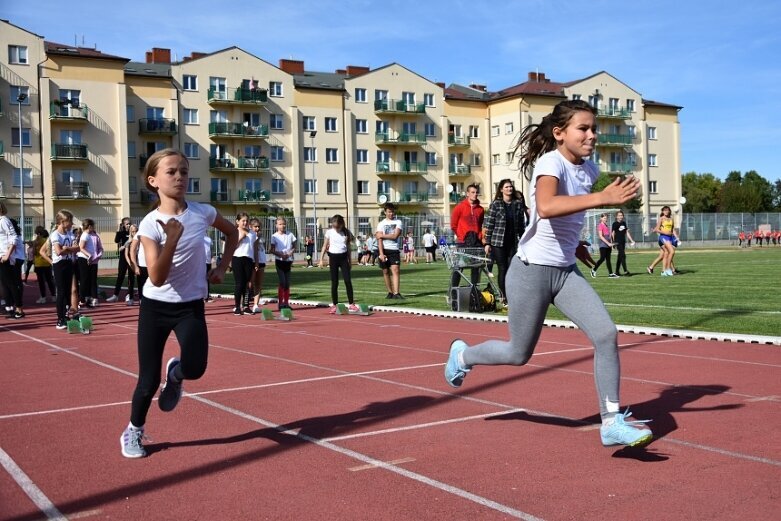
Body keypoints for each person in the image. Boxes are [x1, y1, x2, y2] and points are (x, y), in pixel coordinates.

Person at [444, 99, 652, 448]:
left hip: (565, 271)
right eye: (583, 129)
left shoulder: (588, 170)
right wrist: (602, 198)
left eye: (594, 128)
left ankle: (611, 421)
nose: (592, 135)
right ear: (560, 133)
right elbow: (547, 206)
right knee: (518, 354)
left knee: (605, 334)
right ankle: (463, 355)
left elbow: (566, 218)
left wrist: (578, 243)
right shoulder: (549, 163)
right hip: (530, 273)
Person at [120, 148, 238, 459]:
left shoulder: (203, 213)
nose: (179, 177)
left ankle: (177, 374)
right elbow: (156, 278)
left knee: (196, 367)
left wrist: (223, 267)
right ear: (153, 180)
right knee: (147, 382)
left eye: (184, 171)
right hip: (155, 307)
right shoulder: (149, 224)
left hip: (190, 306)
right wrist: (171, 238)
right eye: (171, 172)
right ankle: (133, 430)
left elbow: (232, 232)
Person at [482, 178, 527, 304]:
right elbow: (489, 224)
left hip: (512, 241)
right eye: (506, 187)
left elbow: (521, 225)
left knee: (512, 268)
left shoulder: (517, 204)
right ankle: (504, 296)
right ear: (501, 189)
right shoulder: (496, 204)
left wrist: (523, 240)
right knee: (503, 268)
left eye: (510, 186)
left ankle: (511, 293)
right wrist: (487, 243)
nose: (509, 189)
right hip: (498, 242)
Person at [46, 210, 80, 328]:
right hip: (59, 265)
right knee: (61, 291)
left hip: (69, 263)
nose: (71, 223)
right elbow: (59, 251)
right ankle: (60, 319)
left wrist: (67, 248)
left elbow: (78, 248)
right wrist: (69, 249)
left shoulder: (70, 233)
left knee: (67, 291)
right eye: (69, 221)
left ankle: (65, 315)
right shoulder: (55, 234)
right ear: (62, 221)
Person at [319, 214, 359, 313]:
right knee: (334, 282)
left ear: (341, 224)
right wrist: (321, 259)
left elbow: (348, 247)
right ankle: (335, 304)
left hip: (343, 258)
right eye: (334, 226)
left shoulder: (346, 232)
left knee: (347, 281)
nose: (336, 228)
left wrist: (350, 260)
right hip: (333, 258)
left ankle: (351, 304)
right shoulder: (329, 232)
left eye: (337, 226)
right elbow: (324, 246)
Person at [449, 183, 485, 287]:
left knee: (476, 267)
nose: (475, 194)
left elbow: (480, 225)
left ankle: (474, 289)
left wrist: (479, 237)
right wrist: (461, 236)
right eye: (473, 192)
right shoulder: (459, 207)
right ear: (467, 194)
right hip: (463, 242)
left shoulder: (480, 209)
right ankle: (454, 289)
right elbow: (453, 225)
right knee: (459, 267)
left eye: (476, 192)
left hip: (476, 243)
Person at [0, 204, 24, 319]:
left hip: (6, 258)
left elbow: (13, 238)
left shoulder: (4, 220)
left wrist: (7, 255)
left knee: (11, 284)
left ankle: (19, 308)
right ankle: (9, 308)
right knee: (4, 284)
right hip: (2, 256)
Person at [376, 202, 403, 299]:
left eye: (392, 212)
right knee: (385, 271)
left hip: (394, 249)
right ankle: (390, 292)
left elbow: (395, 235)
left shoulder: (398, 222)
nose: (391, 214)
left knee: (395, 270)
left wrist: (382, 235)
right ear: (385, 212)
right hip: (384, 250)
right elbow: (379, 240)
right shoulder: (381, 224)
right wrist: (381, 253)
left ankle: (397, 293)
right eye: (389, 212)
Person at [231, 213, 256, 315]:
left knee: (247, 284)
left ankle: (246, 306)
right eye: (243, 221)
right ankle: (237, 306)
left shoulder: (252, 233)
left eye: (246, 221)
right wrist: (241, 237)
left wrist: (256, 261)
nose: (245, 223)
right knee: (239, 283)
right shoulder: (234, 232)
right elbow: (231, 246)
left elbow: (254, 248)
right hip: (237, 258)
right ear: (237, 222)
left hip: (248, 259)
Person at [269, 217, 296, 310]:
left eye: (284, 224)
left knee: (287, 283)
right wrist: (280, 254)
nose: (282, 226)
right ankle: (280, 303)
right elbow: (271, 250)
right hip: (279, 261)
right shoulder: (274, 236)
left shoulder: (290, 234)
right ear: (276, 225)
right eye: (280, 224)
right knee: (282, 282)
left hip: (288, 261)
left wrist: (289, 254)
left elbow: (294, 246)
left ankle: (286, 303)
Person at [77, 218, 102, 307]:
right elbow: (81, 247)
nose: (94, 228)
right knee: (84, 280)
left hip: (91, 260)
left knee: (92, 279)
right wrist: (89, 255)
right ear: (90, 226)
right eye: (93, 226)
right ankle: (82, 299)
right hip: (83, 259)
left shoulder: (93, 235)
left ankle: (93, 298)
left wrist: (95, 256)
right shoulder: (85, 235)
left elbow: (97, 247)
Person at [107, 217, 132, 303]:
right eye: (127, 224)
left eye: (129, 223)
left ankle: (130, 295)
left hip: (132, 257)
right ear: (123, 225)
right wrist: (118, 230)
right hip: (123, 257)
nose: (128, 225)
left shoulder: (133, 232)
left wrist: (125, 246)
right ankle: (115, 295)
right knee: (120, 275)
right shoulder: (121, 233)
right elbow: (116, 240)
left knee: (131, 276)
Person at [650, 205, 680, 277]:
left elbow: (672, 229)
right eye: (665, 210)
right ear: (663, 212)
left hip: (670, 238)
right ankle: (668, 269)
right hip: (663, 237)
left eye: (667, 210)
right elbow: (657, 229)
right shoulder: (661, 219)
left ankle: (664, 271)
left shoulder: (671, 219)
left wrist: (677, 237)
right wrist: (665, 232)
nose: (666, 211)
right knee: (672, 251)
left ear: (669, 211)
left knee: (666, 254)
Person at [31, 226, 55, 304]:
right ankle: (54, 296)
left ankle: (43, 297)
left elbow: (34, 252)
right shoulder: (47, 240)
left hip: (39, 264)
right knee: (49, 280)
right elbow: (49, 251)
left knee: (41, 281)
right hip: (47, 262)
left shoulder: (35, 241)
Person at [590, 213, 618, 278]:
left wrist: (611, 244)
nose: (606, 219)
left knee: (608, 259)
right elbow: (600, 236)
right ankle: (593, 270)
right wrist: (608, 243)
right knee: (602, 258)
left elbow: (609, 236)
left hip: (608, 246)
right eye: (604, 218)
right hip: (603, 245)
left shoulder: (607, 226)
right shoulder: (600, 225)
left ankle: (611, 274)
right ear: (601, 218)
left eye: (606, 218)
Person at [249, 218, 267, 313]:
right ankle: (244, 303)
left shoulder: (261, 237)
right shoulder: (249, 237)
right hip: (252, 261)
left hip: (261, 261)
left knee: (258, 284)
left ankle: (256, 304)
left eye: (258, 227)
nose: (257, 229)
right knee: (250, 283)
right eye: (255, 227)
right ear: (251, 227)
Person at [611, 210, 636, 276]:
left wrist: (631, 240)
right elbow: (613, 233)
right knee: (623, 255)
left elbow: (627, 233)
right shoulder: (615, 224)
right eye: (619, 215)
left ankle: (616, 272)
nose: (621, 217)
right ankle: (625, 271)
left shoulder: (624, 223)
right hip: (617, 242)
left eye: (621, 215)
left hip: (623, 242)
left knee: (620, 256)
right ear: (616, 217)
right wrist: (613, 242)